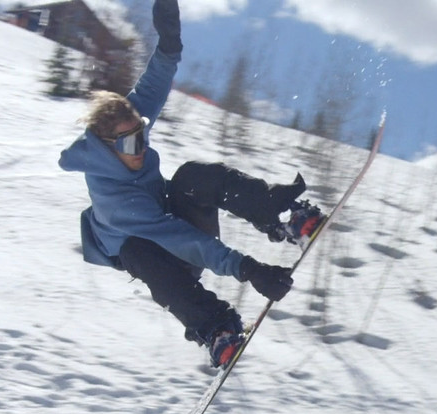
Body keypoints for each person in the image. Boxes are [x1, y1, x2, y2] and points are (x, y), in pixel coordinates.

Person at [58, 0, 324, 368]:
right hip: (164, 260)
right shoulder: (117, 201)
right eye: (133, 143)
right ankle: (216, 328)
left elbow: (154, 82)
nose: (142, 146)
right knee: (136, 250)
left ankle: (278, 215)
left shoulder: (125, 131)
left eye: (143, 134)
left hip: (176, 228)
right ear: (107, 150)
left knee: (189, 177)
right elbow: (185, 241)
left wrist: (169, 44)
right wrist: (249, 270)